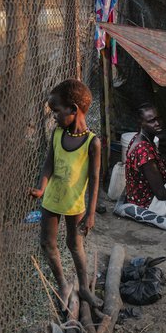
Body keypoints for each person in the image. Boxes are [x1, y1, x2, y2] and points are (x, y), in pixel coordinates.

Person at [29, 79, 103, 309]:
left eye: (56, 111)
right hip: (51, 200)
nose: (53, 117)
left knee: (75, 244)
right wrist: (41, 188)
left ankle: (83, 288)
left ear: (73, 109)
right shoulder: (57, 134)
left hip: (75, 204)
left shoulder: (92, 143)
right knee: (47, 243)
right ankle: (62, 283)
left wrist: (91, 214)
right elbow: (48, 165)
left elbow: (94, 179)